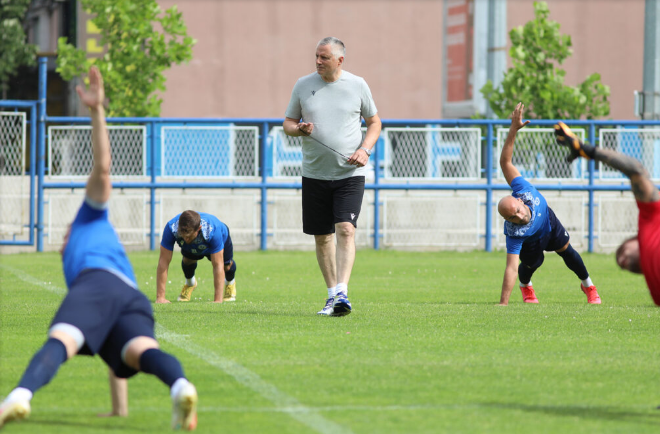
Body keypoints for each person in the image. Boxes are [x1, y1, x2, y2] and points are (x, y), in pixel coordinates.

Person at [0, 66, 198, 431]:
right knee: (137, 352)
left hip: (99, 285)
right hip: (129, 296)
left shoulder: (88, 219)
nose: (62, 239)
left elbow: (103, 169)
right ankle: (181, 387)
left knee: (62, 340)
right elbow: (106, 324)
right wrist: (119, 411)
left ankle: (19, 396)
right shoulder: (84, 253)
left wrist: (96, 110)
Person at [283, 36, 381, 316]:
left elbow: (375, 123)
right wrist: (298, 128)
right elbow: (287, 123)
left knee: (346, 230)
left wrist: (365, 149)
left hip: (350, 174)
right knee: (322, 237)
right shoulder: (303, 85)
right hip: (314, 174)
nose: (318, 62)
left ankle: (342, 293)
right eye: (316, 56)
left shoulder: (357, 85)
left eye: (324, 57)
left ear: (340, 60)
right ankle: (330, 296)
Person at [497, 103, 601, 306]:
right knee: (531, 264)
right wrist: (503, 304)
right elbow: (510, 267)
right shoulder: (514, 233)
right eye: (511, 217)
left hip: (549, 223)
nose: (517, 217)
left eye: (516, 211)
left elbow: (505, 163)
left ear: (519, 201)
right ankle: (525, 286)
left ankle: (588, 286)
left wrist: (513, 129)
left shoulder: (522, 188)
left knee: (567, 252)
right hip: (531, 240)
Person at [555, 122, 660, 305]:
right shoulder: (655, 292)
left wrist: (586, 150)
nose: (621, 261)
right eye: (622, 265)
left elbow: (635, 170)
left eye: (620, 251)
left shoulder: (652, 220)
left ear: (636, 238)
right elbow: (635, 170)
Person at [156, 210, 236, 304]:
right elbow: (163, 261)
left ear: (199, 228)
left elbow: (218, 265)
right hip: (194, 243)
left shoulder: (213, 229)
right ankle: (190, 283)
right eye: (183, 236)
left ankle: (230, 284)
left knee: (226, 266)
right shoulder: (171, 228)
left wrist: (217, 300)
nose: (186, 239)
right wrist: (160, 297)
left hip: (220, 238)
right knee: (187, 261)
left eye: (188, 236)